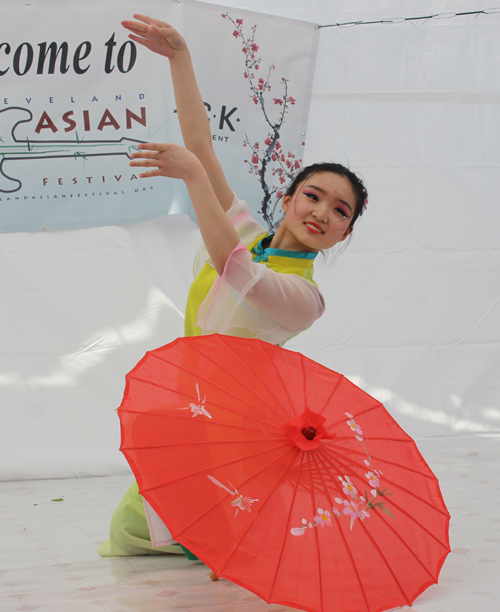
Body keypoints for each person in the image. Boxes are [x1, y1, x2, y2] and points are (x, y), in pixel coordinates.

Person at [98, 14, 368, 562]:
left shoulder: (303, 298)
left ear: (344, 233)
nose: (321, 212)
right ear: (290, 198)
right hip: (190, 407)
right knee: (137, 532)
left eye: (340, 211)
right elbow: (201, 142)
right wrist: (179, 56)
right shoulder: (249, 232)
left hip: (232, 427)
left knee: (150, 536)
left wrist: (194, 177)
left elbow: (235, 268)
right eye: (313, 195)